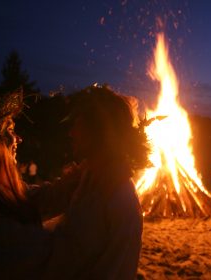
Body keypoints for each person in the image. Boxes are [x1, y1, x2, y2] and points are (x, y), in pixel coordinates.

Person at [0, 91, 82, 279]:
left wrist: (79, 178)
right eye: (10, 130)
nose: (18, 139)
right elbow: (63, 253)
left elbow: (34, 198)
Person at [44, 85, 151, 279]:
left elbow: (117, 272)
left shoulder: (121, 199)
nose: (71, 133)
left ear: (98, 132)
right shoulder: (88, 180)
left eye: (78, 124)